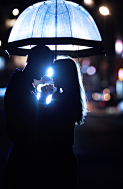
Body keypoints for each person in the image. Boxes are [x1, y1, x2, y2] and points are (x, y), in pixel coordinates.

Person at [4, 45, 54, 189]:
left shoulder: (22, 84)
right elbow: (29, 123)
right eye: (46, 66)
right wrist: (44, 101)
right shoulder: (20, 87)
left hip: (23, 159)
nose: (46, 72)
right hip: (24, 162)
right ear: (38, 63)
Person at [36, 56, 87, 189]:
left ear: (64, 75)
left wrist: (42, 99)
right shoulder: (71, 98)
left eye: (56, 73)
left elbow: (41, 123)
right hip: (65, 159)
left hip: (57, 161)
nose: (53, 78)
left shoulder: (63, 101)